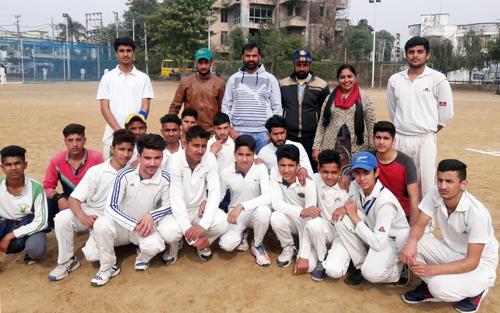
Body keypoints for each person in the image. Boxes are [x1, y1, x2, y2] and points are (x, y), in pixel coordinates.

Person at [397, 160, 498, 313]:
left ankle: (477, 290)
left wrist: (430, 270)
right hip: (451, 253)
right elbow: (419, 225)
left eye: (449, 181)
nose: (443, 186)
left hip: (479, 266)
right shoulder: (435, 193)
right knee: (403, 236)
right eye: (440, 180)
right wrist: (411, 242)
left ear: (463, 184)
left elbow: (472, 262)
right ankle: (430, 285)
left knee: (438, 286)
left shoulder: (478, 214)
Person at [48, 130, 135, 281]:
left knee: (92, 255)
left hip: (112, 218)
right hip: (93, 211)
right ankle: (67, 261)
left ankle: (111, 260)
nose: (126, 154)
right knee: (62, 218)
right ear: (112, 149)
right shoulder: (97, 171)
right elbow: (73, 199)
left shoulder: (133, 173)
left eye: (129, 150)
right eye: (121, 149)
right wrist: (84, 218)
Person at [91, 134, 171, 286]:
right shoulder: (124, 174)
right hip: (121, 227)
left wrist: (151, 216)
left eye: (157, 158)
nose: (152, 163)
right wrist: (134, 224)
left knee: (156, 245)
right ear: (139, 157)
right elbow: (111, 206)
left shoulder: (165, 178)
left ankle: (142, 257)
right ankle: (107, 267)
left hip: (144, 229)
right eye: (147, 158)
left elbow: (168, 205)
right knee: (101, 225)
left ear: (162, 157)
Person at [387, 36, 454, 201]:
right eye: (411, 52)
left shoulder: (438, 79)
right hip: (401, 138)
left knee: (425, 185)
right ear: (406, 55)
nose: (415, 55)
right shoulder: (395, 80)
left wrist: (427, 130)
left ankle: (426, 226)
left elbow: (446, 114)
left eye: (419, 52)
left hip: (425, 140)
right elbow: (393, 111)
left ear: (428, 55)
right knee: (400, 183)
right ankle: (402, 223)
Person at [329, 152, 409, 286]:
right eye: (357, 173)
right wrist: (345, 208)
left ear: (376, 172)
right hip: (373, 232)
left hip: (392, 240)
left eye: (366, 173)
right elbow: (351, 196)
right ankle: (362, 265)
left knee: (371, 273)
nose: (361, 178)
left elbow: (378, 243)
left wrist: (354, 216)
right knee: (340, 218)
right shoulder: (357, 185)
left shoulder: (385, 202)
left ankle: (398, 271)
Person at [158, 126, 229, 264]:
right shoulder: (174, 160)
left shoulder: (209, 158)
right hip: (175, 211)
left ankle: (203, 244)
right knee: (170, 232)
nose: (200, 150)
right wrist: (189, 232)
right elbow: (176, 198)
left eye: (203, 146)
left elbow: (214, 191)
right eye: (195, 145)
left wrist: (203, 225)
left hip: (198, 210)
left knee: (223, 223)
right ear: (185, 144)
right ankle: (173, 248)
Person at [313, 64, 376, 176]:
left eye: (349, 76)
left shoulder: (365, 99)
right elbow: (322, 124)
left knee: (355, 179)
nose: (346, 80)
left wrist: (371, 152)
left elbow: (371, 126)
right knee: (332, 178)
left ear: (355, 77)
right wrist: (316, 147)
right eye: (342, 77)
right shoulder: (329, 99)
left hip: (357, 148)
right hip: (332, 146)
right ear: (338, 79)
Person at [97, 36, 154, 160]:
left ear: (134, 53)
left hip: (137, 133)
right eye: (121, 51)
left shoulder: (143, 78)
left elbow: (145, 107)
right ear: (116, 54)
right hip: (113, 132)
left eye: (128, 50)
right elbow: (104, 108)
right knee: (112, 171)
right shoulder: (107, 78)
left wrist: (135, 128)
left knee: (137, 170)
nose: (125, 54)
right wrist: (120, 131)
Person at [218, 135, 272, 266]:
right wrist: (205, 203)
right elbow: (218, 196)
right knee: (226, 245)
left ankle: (257, 244)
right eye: (240, 154)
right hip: (236, 216)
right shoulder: (225, 172)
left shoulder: (260, 168)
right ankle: (243, 232)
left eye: (248, 155)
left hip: (255, 213)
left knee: (264, 211)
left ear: (254, 154)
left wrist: (242, 205)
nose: (244, 159)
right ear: (234, 153)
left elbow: (267, 196)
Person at [221, 43, 282, 153]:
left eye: (254, 56)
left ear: (259, 57)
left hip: (264, 134)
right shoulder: (233, 79)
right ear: (242, 57)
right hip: (239, 132)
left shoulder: (270, 79)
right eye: (248, 56)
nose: (251, 59)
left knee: (263, 167)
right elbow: (225, 106)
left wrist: (272, 133)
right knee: (241, 166)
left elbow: (277, 108)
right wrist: (230, 129)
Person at [270, 144, 318, 271]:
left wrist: (303, 256)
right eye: (282, 165)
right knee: (276, 216)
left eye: (291, 165)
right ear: (277, 164)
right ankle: (289, 247)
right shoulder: (275, 173)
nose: (286, 170)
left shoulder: (308, 184)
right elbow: (276, 203)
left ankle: (305, 251)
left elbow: (310, 219)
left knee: (309, 267)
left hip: (306, 224)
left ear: (298, 165)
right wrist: (301, 211)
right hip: (291, 219)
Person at [280, 49, 330, 171]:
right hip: (289, 136)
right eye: (298, 65)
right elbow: (278, 108)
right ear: (293, 65)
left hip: (311, 138)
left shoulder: (322, 85)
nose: (302, 69)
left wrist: (320, 142)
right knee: (290, 169)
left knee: (310, 171)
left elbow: (326, 114)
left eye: (305, 65)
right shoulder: (283, 84)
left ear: (310, 65)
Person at [43, 124, 104, 225]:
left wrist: (84, 201)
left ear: (84, 140)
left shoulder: (96, 157)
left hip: (90, 202)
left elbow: (102, 185)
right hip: (67, 199)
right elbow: (47, 187)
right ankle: (59, 226)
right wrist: (59, 198)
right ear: (65, 142)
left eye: (78, 140)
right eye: (70, 140)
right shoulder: (57, 160)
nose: (75, 144)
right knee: (45, 203)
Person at [0, 146, 49, 266]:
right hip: (4, 223)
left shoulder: (36, 188)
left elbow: (41, 222)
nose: (13, 168)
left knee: (36, 249)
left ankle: (29, 252)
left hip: (27, 223)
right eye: (8, 164)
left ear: (25, 164)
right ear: (2, 167)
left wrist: (9, 236)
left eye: (17, 163)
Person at [303, 150, 348, 281]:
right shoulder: (315, 179)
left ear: (340, 171)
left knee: (334, 271)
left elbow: (359, 212)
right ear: (318, 170)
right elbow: (302, 173)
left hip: (343, 234)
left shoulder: (348, 185)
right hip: (326, 229)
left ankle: (343, 256)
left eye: (334, 172)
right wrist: (301, 168)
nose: (329, 176)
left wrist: (346, 208)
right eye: (325, 172)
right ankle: (321, 260)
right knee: (313, 223)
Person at [369, 121, 419, 226]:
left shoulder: (406, 162)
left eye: (386, 138)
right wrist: (345, 178)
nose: (381, 142)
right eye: (378, 137)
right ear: (373, 139)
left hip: (402, 215)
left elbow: (414, 199)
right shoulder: (368, 158)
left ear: (393, 141)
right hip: (375, 212)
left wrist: (412, 231)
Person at [169, 48, 226, 133]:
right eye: (200, 63)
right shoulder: (186, 82)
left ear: (212, 63)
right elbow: (175, 106)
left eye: (206, 63)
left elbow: (224, 109)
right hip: (190, 131)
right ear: (195, 63)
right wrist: (172, 126)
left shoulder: (219, 84)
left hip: (211, 133)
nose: (203, 66)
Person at [258, 115, 313, 182]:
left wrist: (303, 169)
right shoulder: (263, 152)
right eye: (275, 134)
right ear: (269, 135)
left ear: (286, 132)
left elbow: (309, 172)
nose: (280, 137)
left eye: (282, 133)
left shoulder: (298, 146)